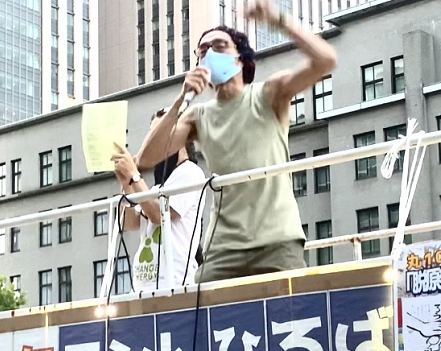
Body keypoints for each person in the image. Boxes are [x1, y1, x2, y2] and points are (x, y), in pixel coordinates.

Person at [136, 1, 337, 283]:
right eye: (202, 52)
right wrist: (180, 99)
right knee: (208, 316)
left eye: (219, 46)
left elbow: (326, 61)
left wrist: (279, 20)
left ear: (240, 59)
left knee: (286, 316)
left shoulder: (268, 94)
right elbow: (147, 158)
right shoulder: (198, 115)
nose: (209, 55)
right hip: (222, 248)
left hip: (276, 239)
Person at [111, 110, 206, 292]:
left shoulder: (190, 173)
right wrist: (126, 185)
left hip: (174, 283)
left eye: (158, 134)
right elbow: (128, 223)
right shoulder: (155, 187)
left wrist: (134, 176)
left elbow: (159, 215)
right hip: (143, 284)